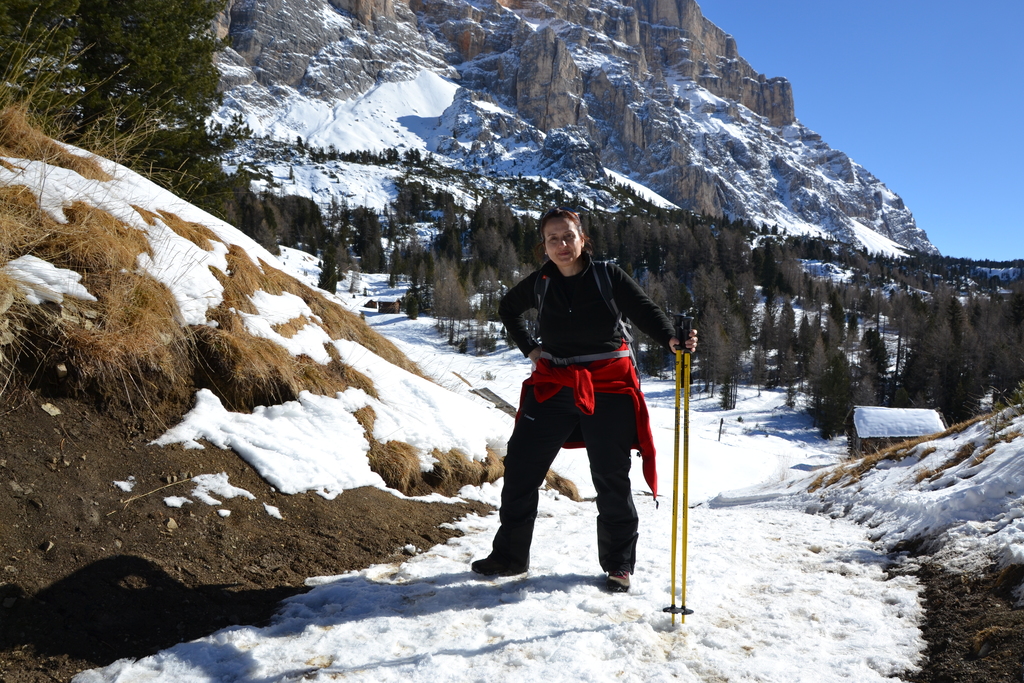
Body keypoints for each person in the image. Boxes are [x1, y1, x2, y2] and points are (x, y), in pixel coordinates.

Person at [471, 207, 698, 592]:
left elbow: (644, 310)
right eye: (552, 238)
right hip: (554, 383)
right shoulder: (541, 280)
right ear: (543, 245)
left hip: (608, 386)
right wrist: (530, 348)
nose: (561, 244)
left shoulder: (608, 275)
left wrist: (670, 340)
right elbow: (508, 308)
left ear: (583, 239)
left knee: (610, 477)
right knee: (522, 468)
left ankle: (618, 565)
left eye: (568, 236)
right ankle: (510, 557)